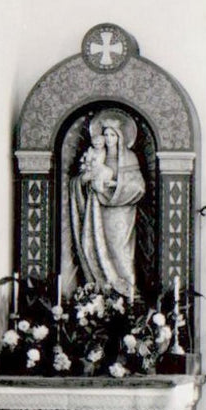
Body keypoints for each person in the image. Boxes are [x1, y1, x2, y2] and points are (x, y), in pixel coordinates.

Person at [70, 108, 145, 299]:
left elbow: (139, 186)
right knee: (95, 246)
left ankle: (127, 294)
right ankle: (102, 293)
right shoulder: (95, 156)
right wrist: (85, 180)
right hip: (98, 210)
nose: (109, 139)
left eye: (113, 135)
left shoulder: (129, 157)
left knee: (120, 250)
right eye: (106, 135)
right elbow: (79, 181)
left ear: (120, 136)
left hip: (122, 212)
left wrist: (115, 185)